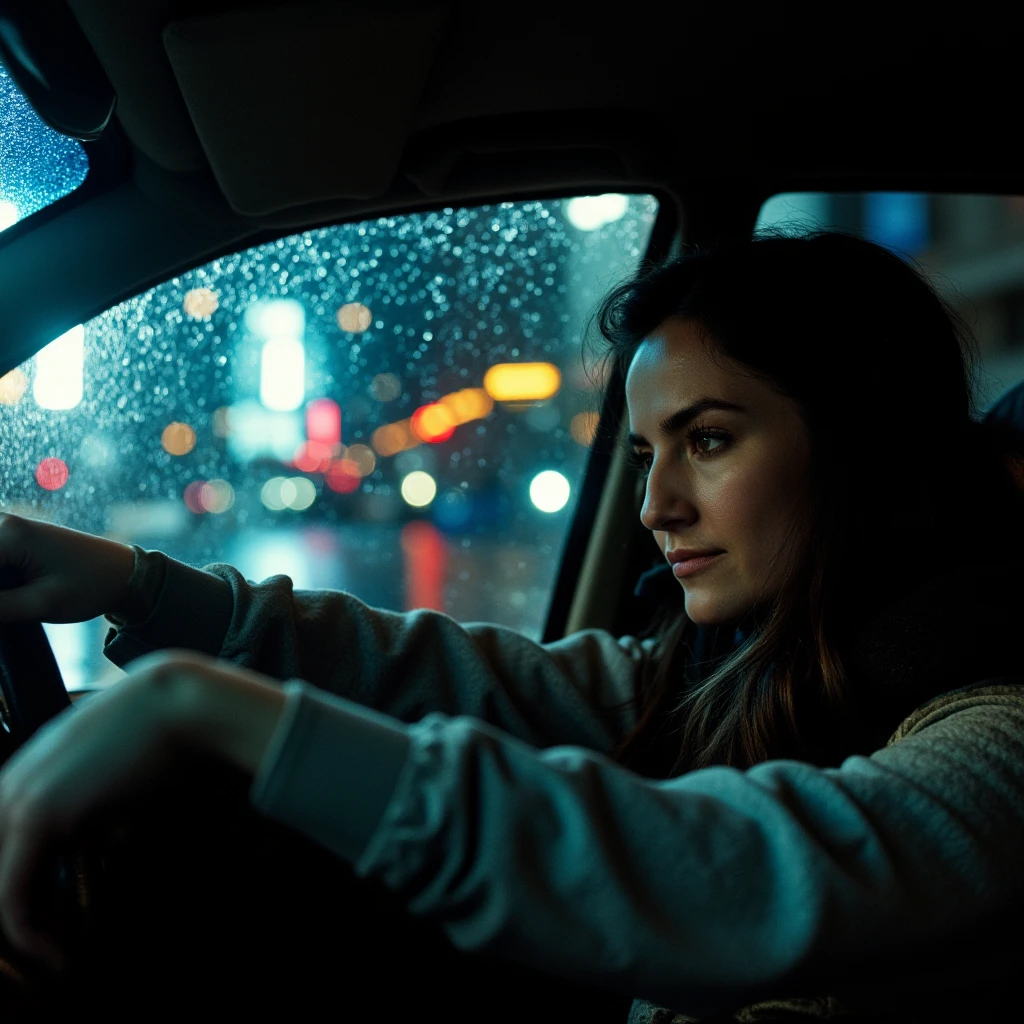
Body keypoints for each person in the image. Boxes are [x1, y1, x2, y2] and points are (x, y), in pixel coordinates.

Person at [2, 230, 1024, 1022]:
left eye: (707, 440)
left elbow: (733, 870)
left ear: (864, 449)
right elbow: (463, 676)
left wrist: (214, 716)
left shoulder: (999, 741)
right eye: (641, 453)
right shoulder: (740, 668)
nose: (654, 505)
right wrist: (135, 584)